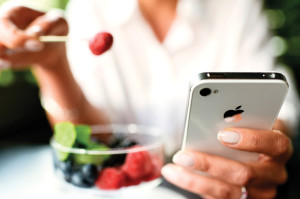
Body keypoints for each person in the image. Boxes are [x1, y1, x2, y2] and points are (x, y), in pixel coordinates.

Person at [0, 0, 298, 198]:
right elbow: (92, 145)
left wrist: (263, 150)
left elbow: (272, 104)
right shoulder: (91, 7)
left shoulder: (237, 6)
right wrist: (53, 67)